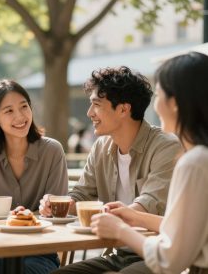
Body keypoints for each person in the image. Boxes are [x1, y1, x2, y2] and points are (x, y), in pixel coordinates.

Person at [41, 66, 182, 273]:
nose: (90, 113)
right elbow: (81, 194)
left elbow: (147, 205)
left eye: (96, 105)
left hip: (157, 254)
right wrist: (60, 204)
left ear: (124, 109)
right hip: (118, 254)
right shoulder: (101, 147)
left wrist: (106, 216)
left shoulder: (166, 146)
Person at [90, 52, 208, 274]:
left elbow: (169, 260)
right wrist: (135, 217)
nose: (154, 104)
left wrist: (121, 230)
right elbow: (186, 230)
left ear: (175, 103)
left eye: (159, 94)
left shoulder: (194, 163)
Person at [0, 79, 69, 274]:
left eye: (24, 107)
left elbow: (59, 208)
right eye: (9, 111)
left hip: (39, 250)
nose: (20, 116)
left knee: (28, 269)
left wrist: (50, 207)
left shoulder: (52, 151)